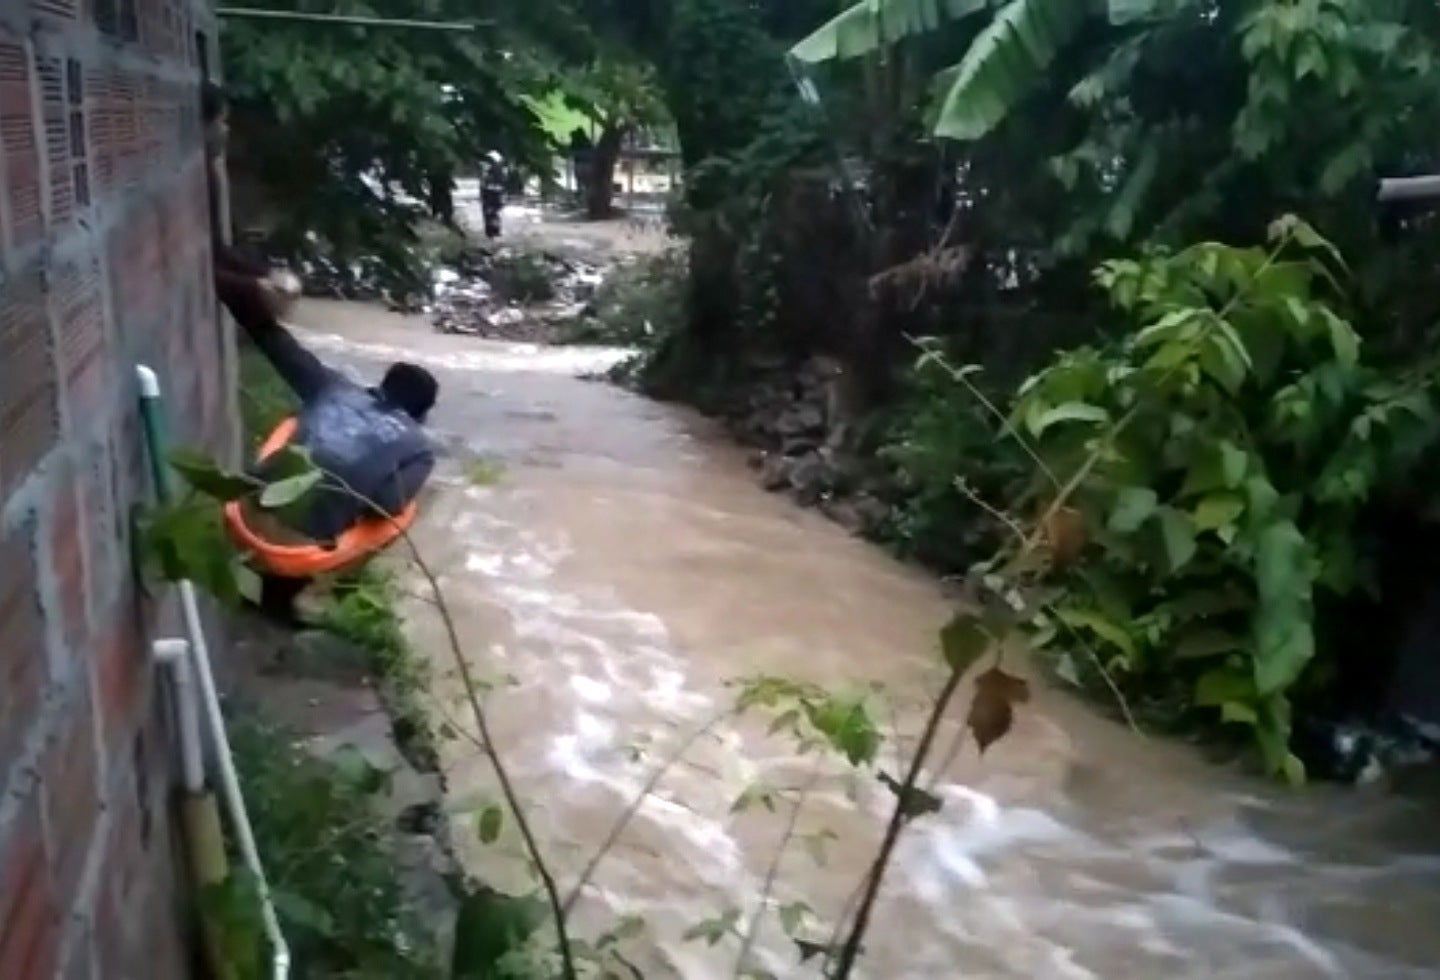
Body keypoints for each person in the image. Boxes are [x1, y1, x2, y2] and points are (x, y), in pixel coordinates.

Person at [203, 82, 441, 627]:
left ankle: (256, 583)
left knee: (306, 457)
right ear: (421, 413)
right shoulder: (418, 448)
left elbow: (274, 342)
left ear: (382, 388)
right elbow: (384, 510)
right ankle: (295, 599)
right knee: (392, 514)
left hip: (244, 515)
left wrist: (252, 292)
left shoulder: (333, 387)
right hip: (296, 550)